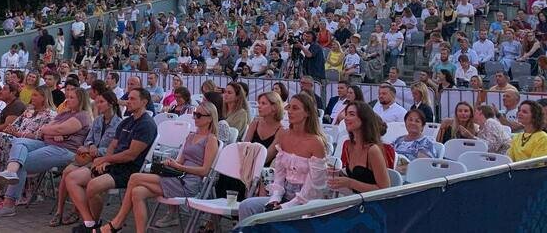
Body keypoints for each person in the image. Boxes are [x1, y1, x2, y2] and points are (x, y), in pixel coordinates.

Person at [99, 101, 220, 233]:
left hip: (189, 183)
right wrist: (170, 163)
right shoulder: (191, 136)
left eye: (199, 115)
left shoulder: (211, 140)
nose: (195, 117)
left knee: (134, 177)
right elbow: (180, 161)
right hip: (178, 177)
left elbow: (205, 171)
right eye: (195, 114)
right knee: (137, 192)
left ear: (209, 118)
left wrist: (180, 167)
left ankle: (117, 223)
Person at [0, 87, 93, 217]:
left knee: (22, 162)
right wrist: (53, 131)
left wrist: (53, 131)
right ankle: (10, 172)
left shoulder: (82, 115)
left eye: (71, 98)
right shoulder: (64, 113)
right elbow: (45, 129)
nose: (68, 100)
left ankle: (9, 204)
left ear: (80, 100)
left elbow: (56, 129)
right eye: (68, 97)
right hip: (47, 143)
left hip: (65, 150)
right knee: (19, 141)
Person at [63, 88, 157, 232]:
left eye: (132, 99)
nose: (128, 102)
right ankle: (90, 223)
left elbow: (131, 155)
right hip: (113, 164)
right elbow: (113, 144)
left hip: (129, 170)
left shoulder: (146, 124)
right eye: (128, 98)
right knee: (71, 178)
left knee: (92, 186)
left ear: (144, 102)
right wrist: (106, 160)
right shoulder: (127, 122)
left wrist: (106, 159)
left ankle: (96, 223)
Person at [238, 92, 327, 221]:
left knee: (278, 217)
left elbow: (313, 186)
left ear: (307, 113)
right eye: (289, 107)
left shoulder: (316, 143)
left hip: (306, 202)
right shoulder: (285, 136)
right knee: (247, 206)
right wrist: (275, 198)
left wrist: (287, 206)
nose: (290, 111)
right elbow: (280, 175)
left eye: (295, 108)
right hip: (284, 194)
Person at [50, 90, 122, 226]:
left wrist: (97, 150)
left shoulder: (119, 124)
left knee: (73, 175)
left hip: (100, 160)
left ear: (111, 104)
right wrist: (90, 145)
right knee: (66, 172)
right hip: (87, 157)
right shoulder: (98, 121)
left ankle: (77, 211)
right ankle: (59, 211)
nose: (98, 105)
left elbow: (116, 149)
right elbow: (88, 139)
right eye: (97, 102)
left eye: (101, 102)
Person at [328, 101, 391, 194]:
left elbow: (384, 189)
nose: (346, 118)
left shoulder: (372, 150)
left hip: (372, 204)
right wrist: (337, 174)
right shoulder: (350, 146)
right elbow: (356, 177)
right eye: (346, 114)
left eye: (351, 114)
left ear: (364, 119)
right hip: (354, 200)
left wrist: (350, 183)